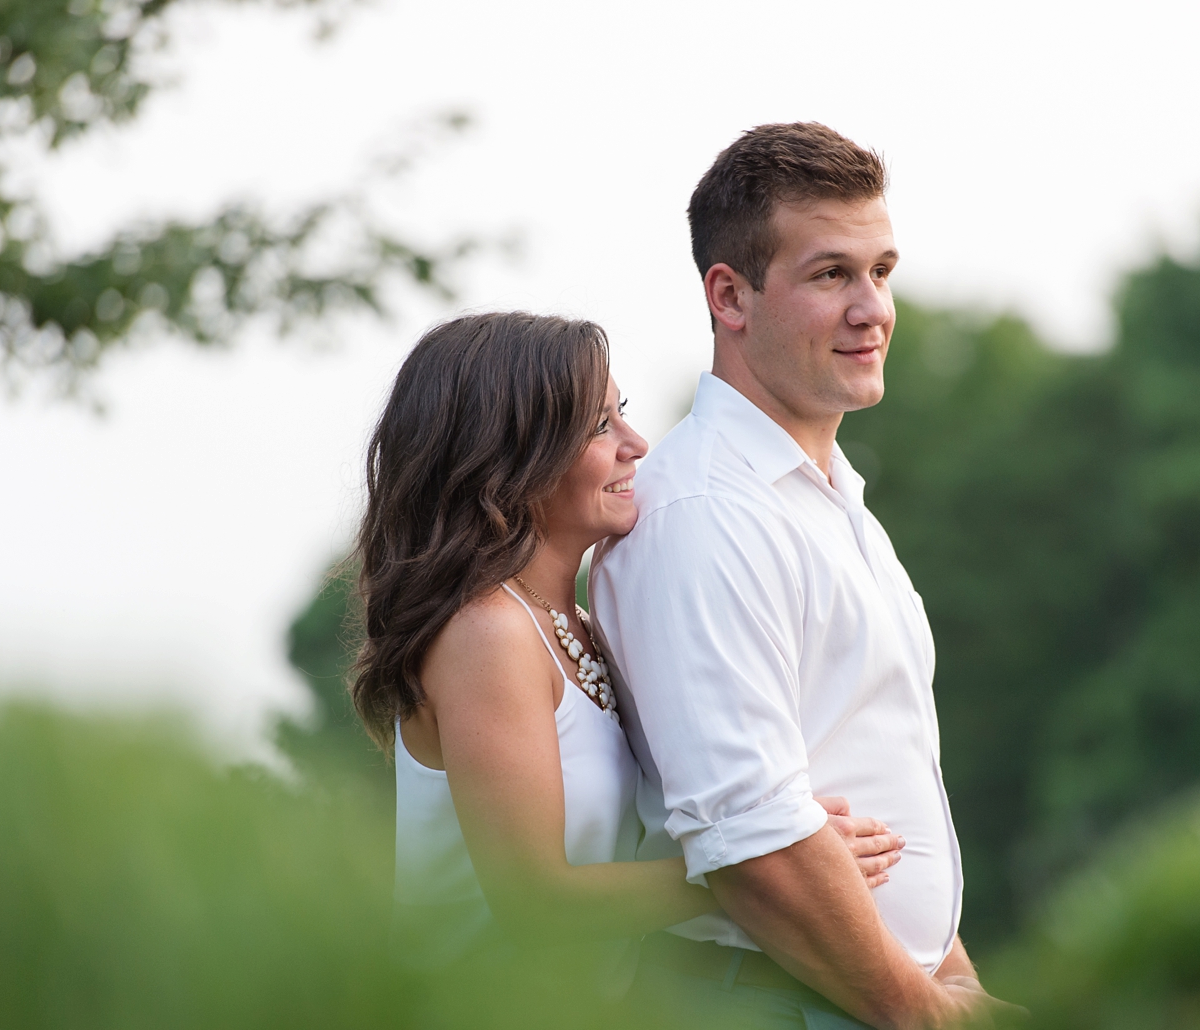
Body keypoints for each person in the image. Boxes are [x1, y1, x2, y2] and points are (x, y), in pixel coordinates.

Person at [591, 124, 1012, 1028]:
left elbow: (890, 778)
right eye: (832, 275)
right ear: (730, 296)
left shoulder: (826, 500)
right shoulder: (702, 515)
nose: (874, 309)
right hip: (773, 1004)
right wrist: (929, 1015)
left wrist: (958, 981)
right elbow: (754, 847)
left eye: (883, 271)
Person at [347, 311, 905, 990]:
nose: (636, 445)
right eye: (599, 426)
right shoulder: (486, 632)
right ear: (508, 456)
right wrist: (766, 871)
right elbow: (535, 903)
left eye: (624, 415)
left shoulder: (580, 626)